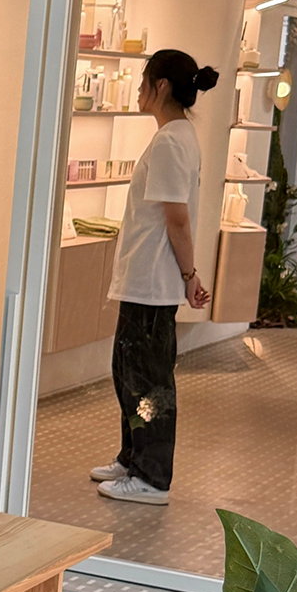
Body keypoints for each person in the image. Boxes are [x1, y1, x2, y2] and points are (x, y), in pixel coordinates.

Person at [92, 47, 219, 505]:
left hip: (153, 281)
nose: (139, 90)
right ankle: (133, 457)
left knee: (148, 382)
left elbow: (176, 219)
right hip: (145, 280)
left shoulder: (170, 142)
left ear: (161, 85)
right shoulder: (176, 136)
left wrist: (189, 275)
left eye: (144, 80)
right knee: (128, 372)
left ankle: (151, 476)